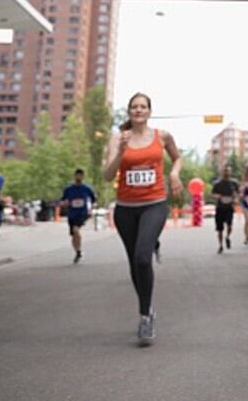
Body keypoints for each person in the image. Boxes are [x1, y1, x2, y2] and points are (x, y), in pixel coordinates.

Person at [103, 92, 183, 346]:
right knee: (134, 263)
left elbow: (177, 158)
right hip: (126, 208)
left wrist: (174, 175)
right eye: (134, 107)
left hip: (154, 204)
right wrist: (121, 152)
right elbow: (107, 175)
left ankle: (145, 315)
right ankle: (147, 307)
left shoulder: (162, 136)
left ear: (149, 111)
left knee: (142, 256)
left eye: (143, 107)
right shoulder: (118, 138)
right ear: (129, 112)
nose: (138, 110)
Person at [61, 168, 97, 264]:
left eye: (80, 175)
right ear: (74, 176)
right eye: (77, 175)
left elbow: (93, 199)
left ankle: (79, 250)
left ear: (83, 177)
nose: (79, 177)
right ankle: (78, 251)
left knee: (76, 230)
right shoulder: (68, 189)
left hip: (82, 213)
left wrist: (91, 208)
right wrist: (64, 203)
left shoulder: (86, 188)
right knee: (73, 235)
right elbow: (63, 200)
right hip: (71, 214)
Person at [211, 166, 240, 254]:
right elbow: (212, 194)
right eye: (225, 171)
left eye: (228, 171)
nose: (226, 173)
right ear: (222, 172)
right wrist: (218, 196)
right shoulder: (217, 183)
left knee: (230, 226)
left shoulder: (234, 183)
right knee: (220, 229)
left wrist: (236, 199)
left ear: (230, 172)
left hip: (229, 207)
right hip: (220, 207)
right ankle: (220, 245)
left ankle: (227, 237)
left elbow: (238, 194)